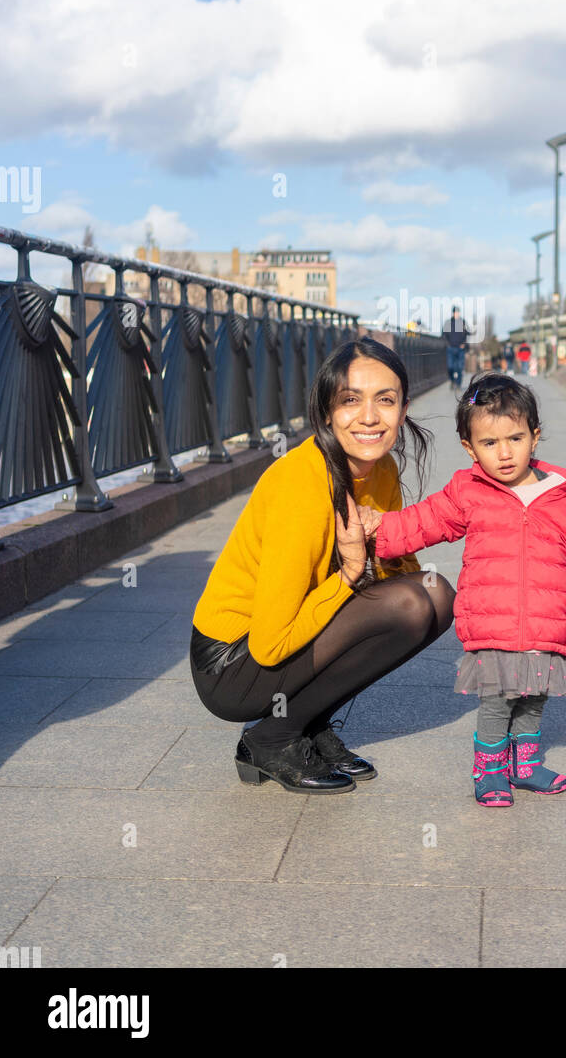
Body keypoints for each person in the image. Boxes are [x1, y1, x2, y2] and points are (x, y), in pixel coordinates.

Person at [189, 337, 456, 794]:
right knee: (411, 605)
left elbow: (400, 576)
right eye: (350, 400)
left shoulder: (383, 468)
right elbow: (271, 646)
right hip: (233, 662)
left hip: (289, 637)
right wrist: (350, 574)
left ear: (404, 409)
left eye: (385, 401)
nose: (369, 417)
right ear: (327, 411)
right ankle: (272, 738)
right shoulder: (302, 484)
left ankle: (308, 725)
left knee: (436, 596)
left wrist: (391, 541)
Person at [359, 372, 566, 807]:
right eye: (489, 443)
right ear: (469, 448)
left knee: (534, 700)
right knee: (498, 702)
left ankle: (526, 766)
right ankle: (489, 771)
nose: (504, 453)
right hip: (491, 624)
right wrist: (378, 530)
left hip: (548, 627)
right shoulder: (470, 491)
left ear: (535, 436)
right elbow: (425, 521)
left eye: (515, 438)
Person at [442, 306, 471, 389]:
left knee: (459, 367)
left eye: (458, 312)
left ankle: (458, 384)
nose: (457, 314)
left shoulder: (463, 322)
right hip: (450, 348)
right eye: (456, 312)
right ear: (453, 313)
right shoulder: (448, 322)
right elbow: (443, 335)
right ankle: (452, 380)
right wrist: (447, 344)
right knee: (450, 367)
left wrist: (464, 344)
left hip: (460, 349)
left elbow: (468, 333)